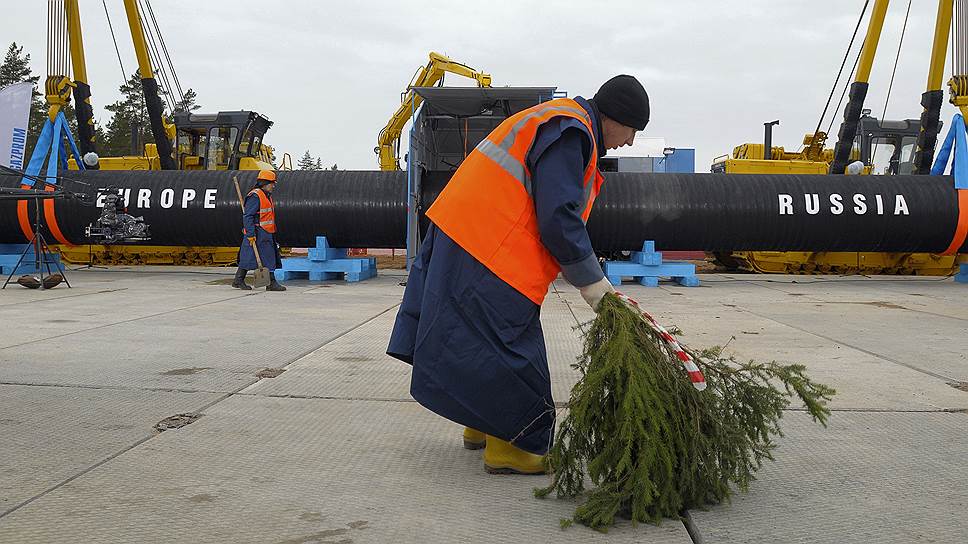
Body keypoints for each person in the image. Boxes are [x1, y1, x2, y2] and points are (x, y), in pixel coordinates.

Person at [387, 75, 650, 474]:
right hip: (490, 246)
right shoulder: (571, 130)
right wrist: (594, 285)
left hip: (460, 233)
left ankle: (479, 424)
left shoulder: (556, 119)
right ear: (615, 117)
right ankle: (513, 445)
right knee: (509, 347)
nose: (629, 142)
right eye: (631, 130)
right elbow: (559, 217)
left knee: (473, 339)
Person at [233, 170, 286, 291]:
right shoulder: (256, 196)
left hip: (266, 231)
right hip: (258, 232)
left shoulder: (266, 195)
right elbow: (248, 216)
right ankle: (271, 283)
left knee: (254, 255)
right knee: (265, 257)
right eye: (272, 183)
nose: (273, 186)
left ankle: (238, 280)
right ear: (265, 183)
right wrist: (251, 234)